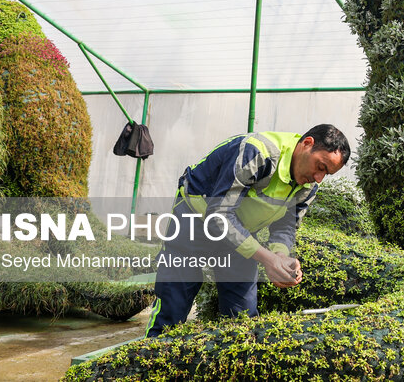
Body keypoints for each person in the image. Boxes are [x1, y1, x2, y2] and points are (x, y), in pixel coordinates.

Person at [145, 124, 350, 338]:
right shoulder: (257, 153)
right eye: (320, 166)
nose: (319, 178)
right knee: (172, 305)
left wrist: (280, 257)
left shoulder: (308, 186)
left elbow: (286, 225)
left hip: (238, 231)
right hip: (195, 221)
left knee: (243, 318)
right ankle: (146, 360)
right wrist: (267, 258)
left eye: (326, 174)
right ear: (307, 144)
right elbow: (220, 215)